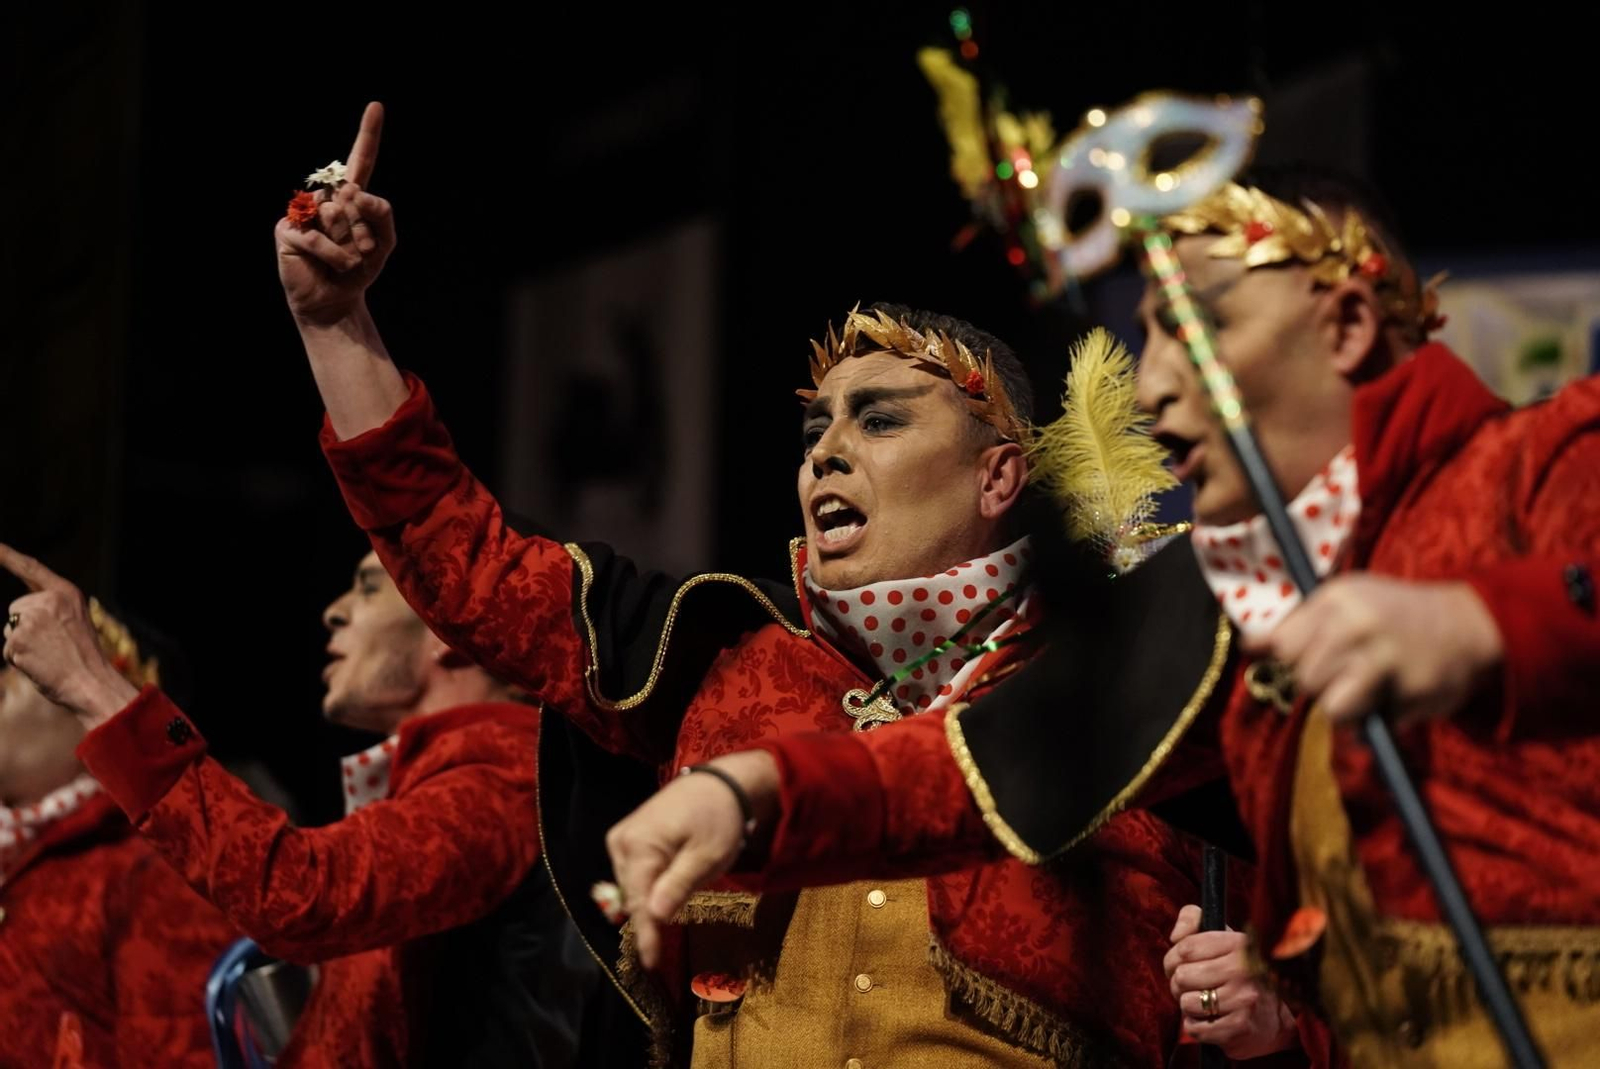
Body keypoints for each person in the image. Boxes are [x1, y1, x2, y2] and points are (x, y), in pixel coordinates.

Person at [263, 100, 1270, 1066]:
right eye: (813, 431)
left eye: (877, 420)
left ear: (1000, 474)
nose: (824, 452)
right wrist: (338, 325)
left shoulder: (1130, 692)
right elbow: (462, 557)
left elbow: (1348, 964)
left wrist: (1273, 1010)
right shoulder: (709, 658)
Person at [610, 165, 1600, 1066]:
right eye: (1151, 338)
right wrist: (752, 792)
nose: (1159, 389)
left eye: (1198, 332)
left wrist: (1489, 623)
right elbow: (987, 765)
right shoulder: (1234, 610)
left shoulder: (1547, 459)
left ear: (1341, 327)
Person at [1, 543, 599, 1068]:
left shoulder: (503, 772)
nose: (334, 611)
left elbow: (298, 893)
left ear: (448, 624)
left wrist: (93, 686)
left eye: (368, 587)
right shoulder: (450, 779)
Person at [0, 595, 235, 1068]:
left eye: (25, 673)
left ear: (98, 710)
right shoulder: (20, 863)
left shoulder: (157, 870)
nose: (3, 682)